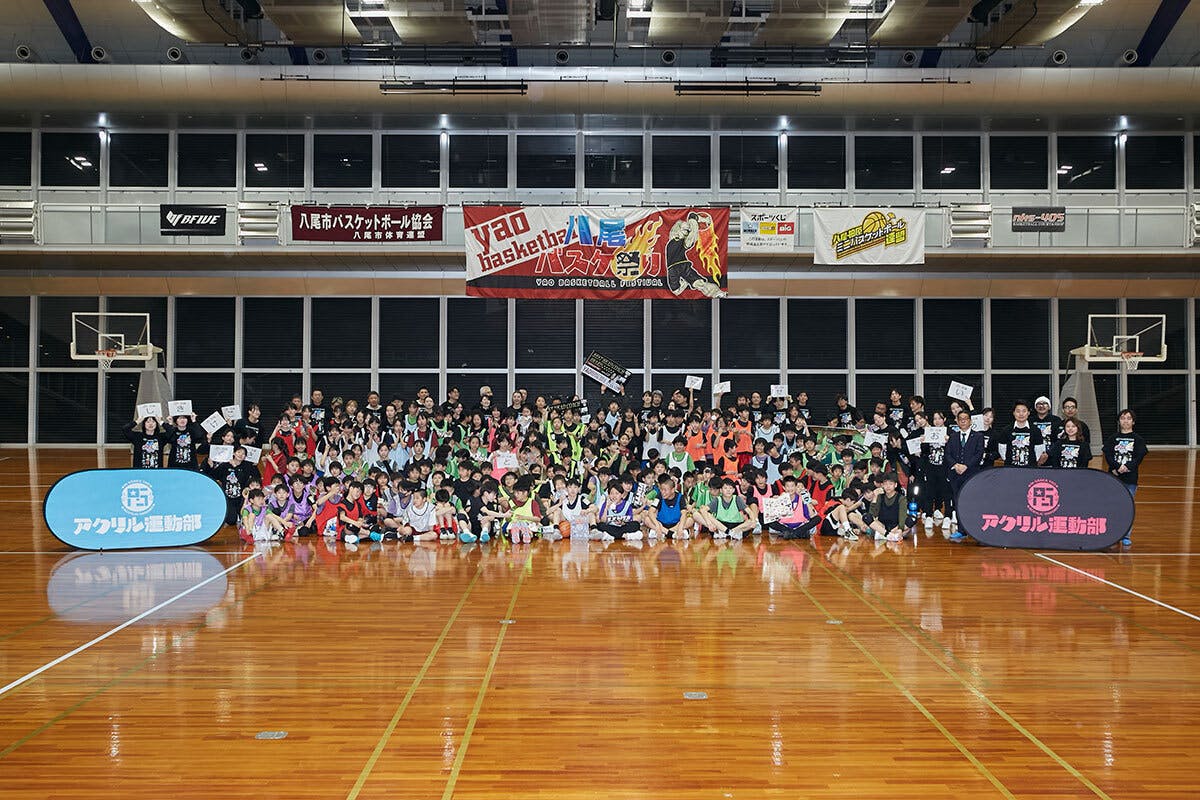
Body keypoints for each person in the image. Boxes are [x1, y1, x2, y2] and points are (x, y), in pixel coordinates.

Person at [1103, 409, 1148, 547]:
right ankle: (1113, 534)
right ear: (1119, 421)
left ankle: (1126, 535)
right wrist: (1117, 467)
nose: (1126, 421)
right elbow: (1108, 455)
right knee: (1113, 507)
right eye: (1123, 418)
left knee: (1127, 508)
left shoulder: (1138, 439)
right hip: (1114, 477)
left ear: (1133, 422)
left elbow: (1139, 457)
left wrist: (1127, 467)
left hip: (1130, 478)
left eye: (1129, 418)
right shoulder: (1113, 438)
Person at [946, 409, 985, 543]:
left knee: (972, 502)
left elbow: (979, 454)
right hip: (955, 474)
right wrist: (955, 465)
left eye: (965, 419)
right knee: (958, 501)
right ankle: (961, 530)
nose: (963, 421)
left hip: (971, 474)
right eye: (960, 419)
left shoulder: (978, 436)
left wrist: (966, 466)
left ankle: (975, 530)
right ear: (957, 421)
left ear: (970, 421)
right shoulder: (953, 436)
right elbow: (947, 454)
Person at [866, 473, 914, 543]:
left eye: (890, 484)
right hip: (882, 527)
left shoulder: (901, 498)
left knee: (912, 518)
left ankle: (888, 535)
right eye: (885, 484)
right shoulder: (880, 497)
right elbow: (873, 514)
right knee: (866, 517)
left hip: (896, 527)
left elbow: (902, 515)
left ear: (895, 485)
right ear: (882, 485)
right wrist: (874, 498)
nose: (888, 486)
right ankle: (889, 535)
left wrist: (900, 528)